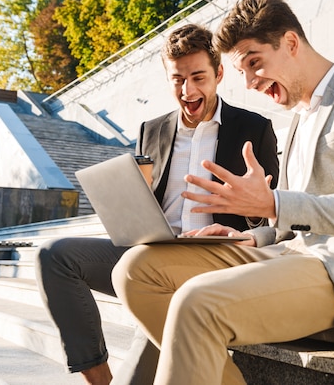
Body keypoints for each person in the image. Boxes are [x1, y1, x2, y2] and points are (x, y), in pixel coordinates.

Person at [112, 0, 334, 385]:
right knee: (135, 271)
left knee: (196, 300)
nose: (251, 82)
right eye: (242, 71)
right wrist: (249, 237)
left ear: (290, 44)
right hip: (289, 255)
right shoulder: (301, 116)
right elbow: (291, 224)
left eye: (254, 62)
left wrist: (272, 201)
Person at [35, 23, 279, 385]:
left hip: (217, 261)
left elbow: (278, 221)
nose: (188, 90)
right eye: (177, 79)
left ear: (219, 74)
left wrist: (253, 215)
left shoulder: (253, 128)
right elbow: (145, 204)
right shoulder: (153, 129)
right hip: (152, 254)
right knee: (55, 255)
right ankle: (98, 378)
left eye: (198, 77)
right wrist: (131, 208)